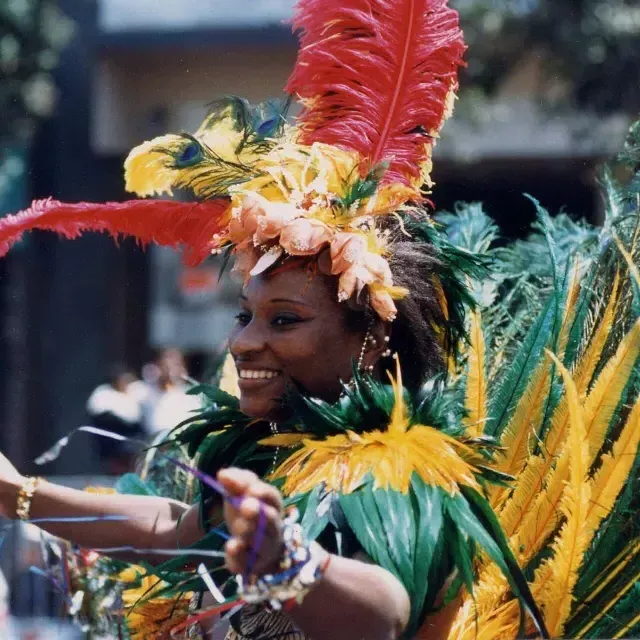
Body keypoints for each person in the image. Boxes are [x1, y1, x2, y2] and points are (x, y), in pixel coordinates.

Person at [0, 1, 637, 639]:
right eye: (246, 313)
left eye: (284, 321)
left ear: (372, 336)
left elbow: (383, 607)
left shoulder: (397, 467)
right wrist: (19, 494)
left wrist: (291, 564)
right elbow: (178, 529)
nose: (244, 341)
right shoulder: (281, 456)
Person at [86, 364, 144, 473]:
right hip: (113, 444)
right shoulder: (103, 393)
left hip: (134, 443)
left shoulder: (137, 392)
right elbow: (101, 415)